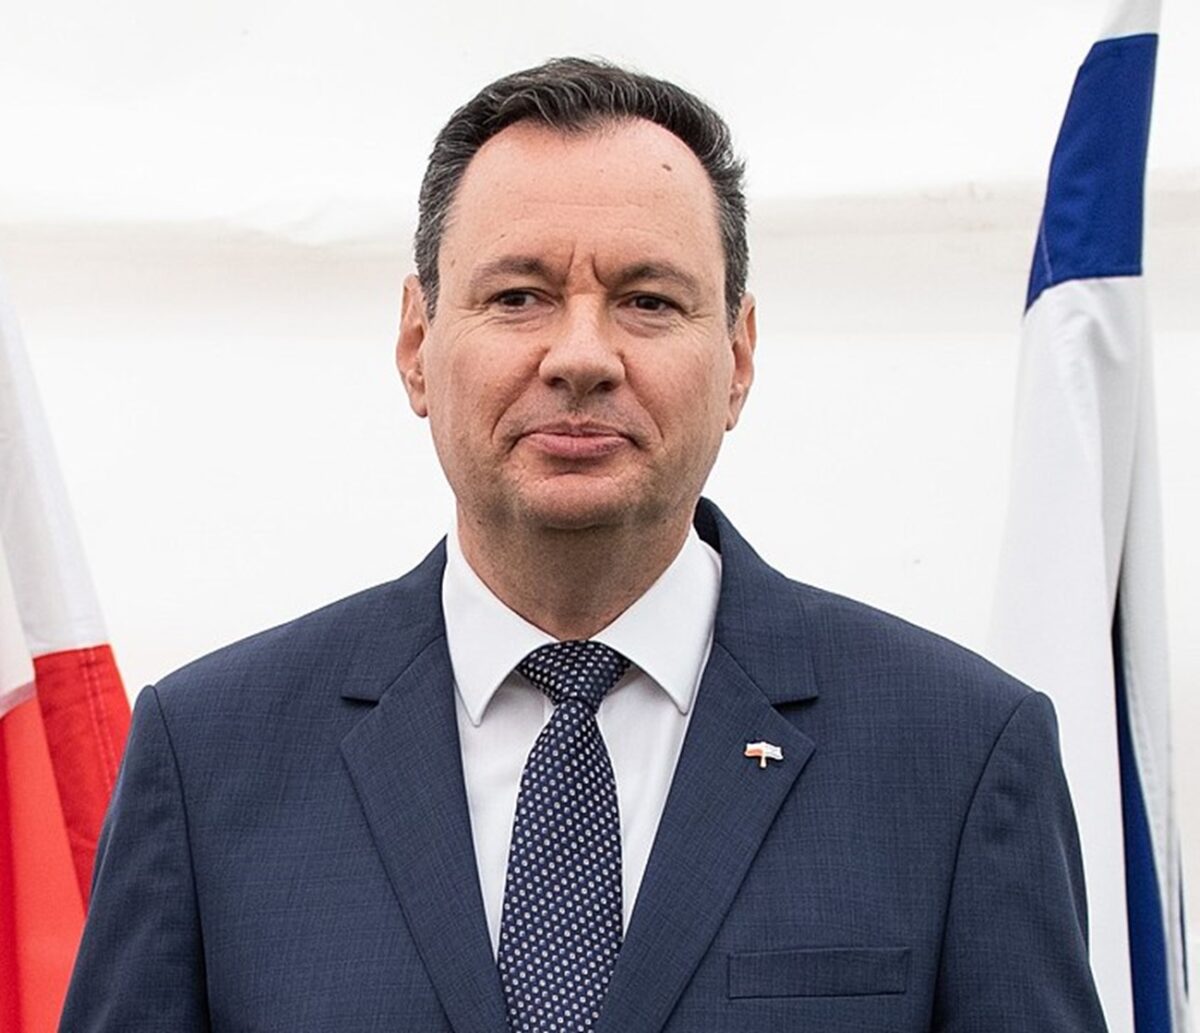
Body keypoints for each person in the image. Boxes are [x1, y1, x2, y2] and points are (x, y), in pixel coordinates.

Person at [61, 58, 1108, 1032]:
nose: (581, 355)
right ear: (417, 345)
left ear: (738, 358)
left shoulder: (959, 754)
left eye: (648, 301)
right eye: (518, 296)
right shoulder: (210, 758)